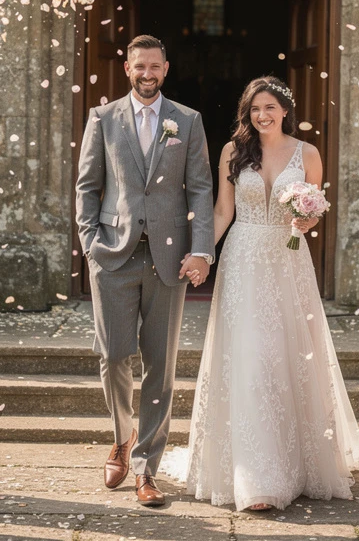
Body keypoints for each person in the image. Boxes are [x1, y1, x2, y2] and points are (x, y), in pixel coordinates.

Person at [159, 77, 359, 511]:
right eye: (253, 109)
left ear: (286, 109)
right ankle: (255, 476)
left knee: (284, 356)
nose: (261, 116)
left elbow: (314, 208)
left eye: (269, 108)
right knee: (248, 357)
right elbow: (223, 212)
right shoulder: (233, 151)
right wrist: (202, 255)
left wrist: (307, 222)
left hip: (287, 261)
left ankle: (292, 464)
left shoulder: (309, 154)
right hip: (244, 259)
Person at [74, 34, 216, 507]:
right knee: (114, 355)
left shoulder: (188, 121)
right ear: (128, 69)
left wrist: (201, 251)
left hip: (168, 258)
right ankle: (121, 432)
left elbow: (199, 189)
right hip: (112, 254)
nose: (147, 73)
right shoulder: (102, 118)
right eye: (140, 66)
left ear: (166, 68)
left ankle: (145, 468)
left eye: (155, 65)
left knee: (161, 365)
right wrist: (90, 245)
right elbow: (87, 186)